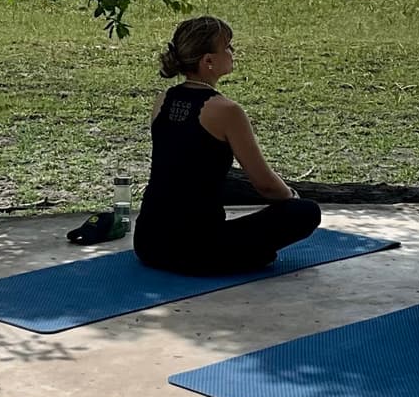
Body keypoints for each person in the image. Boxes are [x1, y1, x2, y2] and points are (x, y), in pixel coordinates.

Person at [134, 15, 321, 275]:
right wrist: (291, 197)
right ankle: (242, 256)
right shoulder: (226, 111)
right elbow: (266, 184)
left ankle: (245, 254)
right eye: (227, 47)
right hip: (196, 250)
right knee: (306, 212)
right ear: (208, 61)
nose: (233, 52)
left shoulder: (163, 99)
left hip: (147, 242)